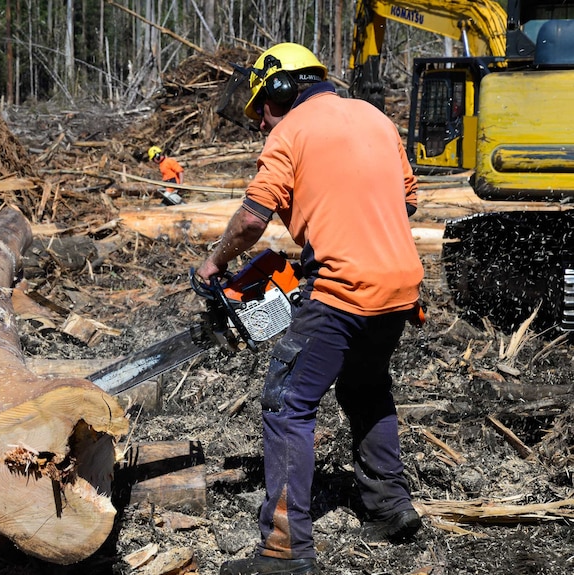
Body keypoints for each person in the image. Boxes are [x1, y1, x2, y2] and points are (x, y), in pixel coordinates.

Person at [196, 43, 425, 575]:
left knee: (286, 401)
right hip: (399, 286)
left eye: (263, 110)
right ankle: (390, 508)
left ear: (281, 89)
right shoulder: (374, 117)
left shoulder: (290, 132)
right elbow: (406, 199)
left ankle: (284, 552)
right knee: (365, 387)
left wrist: (214, 262)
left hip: (344, 289)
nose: (261, 124)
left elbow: (253, 221)